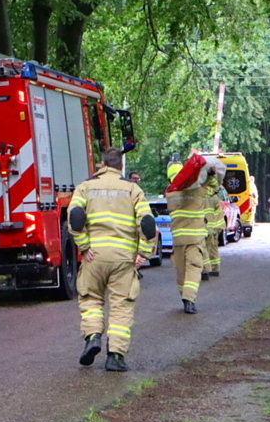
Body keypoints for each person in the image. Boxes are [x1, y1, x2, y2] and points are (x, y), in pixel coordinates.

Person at [67, 147, 156, 372]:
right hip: (123, 258)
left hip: (94, 257)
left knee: (91, 300)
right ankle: (115, 357)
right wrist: (143, 254)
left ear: (102, 164)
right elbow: (147, 223)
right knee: (121, 306)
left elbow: (75, 218)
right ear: (120, 166)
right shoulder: (132, 189)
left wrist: (84, 246)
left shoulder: (85, 187)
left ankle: (93, 337)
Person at [166, 161, 210, 314]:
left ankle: (184, 297)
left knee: (181, 270)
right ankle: (189, 300)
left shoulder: (169, 194)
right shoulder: (198, 191)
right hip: (195, 238)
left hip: (178, 239)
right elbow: (212, 188)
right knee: (194, 268)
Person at [204, 176, 223, 277]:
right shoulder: (215, 198)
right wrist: (217, 228)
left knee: (204, 249)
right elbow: (219, 214)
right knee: (213, 248)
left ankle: (205, 270)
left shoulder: (200, 198)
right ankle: (215, 268)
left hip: (204, 228)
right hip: (214, 228)